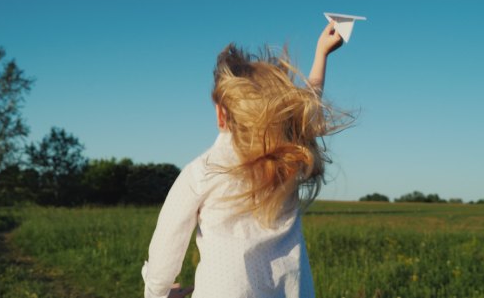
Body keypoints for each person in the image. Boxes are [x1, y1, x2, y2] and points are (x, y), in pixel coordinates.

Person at [142, 21, 350, 298]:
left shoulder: (201, 172)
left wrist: (157, 293)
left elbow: (166, 246)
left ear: (221, 114)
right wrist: (321, 54)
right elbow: (306, 113)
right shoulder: (287, 162)